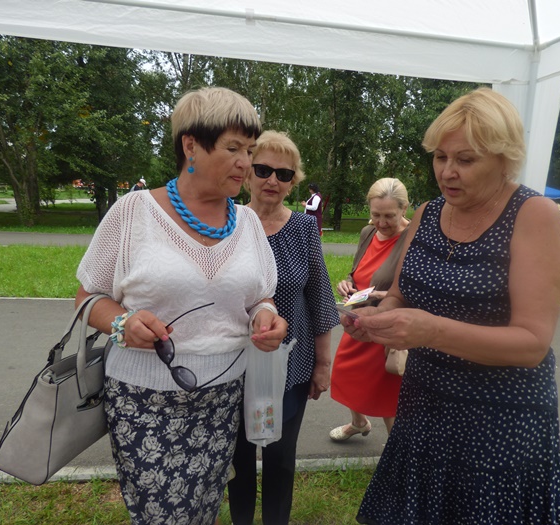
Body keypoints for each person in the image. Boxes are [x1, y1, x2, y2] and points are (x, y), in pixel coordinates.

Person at [342, 88, 560, 524]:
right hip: (423, 410)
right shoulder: (427, 214)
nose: (447, 172)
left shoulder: (534, 215)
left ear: (504, 159)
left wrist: (431, 331)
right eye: (440, 157)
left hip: (499, 425)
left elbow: (532, 344)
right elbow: (401, 294)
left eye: (465, 160)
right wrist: (376, 318)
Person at [74, 86, 288, 525]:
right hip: (144, 399)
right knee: (161, 515)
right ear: (191, 145)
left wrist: (266, 316)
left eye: (249, 150)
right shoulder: (133, 212)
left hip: (223, 398)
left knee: (205, 507)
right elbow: (87, 298)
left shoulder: (247, 222)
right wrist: (123, 323)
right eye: (233, 148)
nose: (245, 163)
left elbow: (259, 297)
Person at [227, 130, 340, 524]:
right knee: (238, 457)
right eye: (263, 170)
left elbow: (320, 298)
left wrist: (322, 364)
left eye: (284, 174)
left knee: (280, 457)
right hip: (233, 367)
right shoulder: (226, 223)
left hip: (290, 368)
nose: (272, 180)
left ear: (294, 182)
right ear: (247, 172)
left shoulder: (303, 229)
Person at [329, 178, 411, 441]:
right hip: (357, 320)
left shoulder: (413, 239)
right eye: (376, 215)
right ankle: (359, 423)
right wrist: (347, 283)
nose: (381, 223)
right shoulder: (367, 232)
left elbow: (418, 290)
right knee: (346, 375)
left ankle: (396, 453)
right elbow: (358, 273)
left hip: (386, 326)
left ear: (404, 209)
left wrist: (385, 296)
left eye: (389, 216)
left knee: (387, 394)